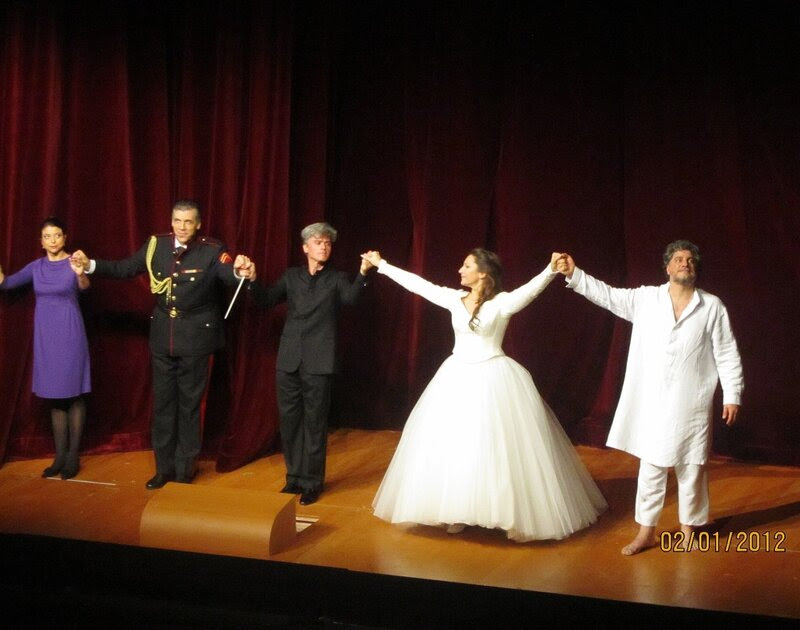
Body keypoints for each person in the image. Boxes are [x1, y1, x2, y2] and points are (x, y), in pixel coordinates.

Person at [362, 248, 607, 541]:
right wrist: (382, 264)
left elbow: (530, 291)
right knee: (457, 444)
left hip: (493, 377)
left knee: (494, 446)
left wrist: (551, 270)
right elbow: (418, 285)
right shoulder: (453, 299)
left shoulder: (501, 304)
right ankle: (456, 510)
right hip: (456, 377)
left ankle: (504, 511)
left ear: (483, 273)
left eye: (466, 266)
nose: (460, 270)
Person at [557, 240, 743, 555]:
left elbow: (726, 351)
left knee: (692, 466)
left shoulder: (712, 306)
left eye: (690, 260)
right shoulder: (646, 299)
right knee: (652, 467)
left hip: (693, 401)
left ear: (696, 268)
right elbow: (608, 295)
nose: (684, 263)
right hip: (654, 402)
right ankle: (646, 532)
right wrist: (575, 274)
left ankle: (688, 529)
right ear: (667, 267)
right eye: (678, 258)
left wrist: (732, 394)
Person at [72, 200, 255, 489]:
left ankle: (185, 469)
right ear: (171, 221)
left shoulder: (211, 250)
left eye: (188, 222)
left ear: (198, 224)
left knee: (190, 407)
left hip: (196, 338)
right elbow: (124, 268)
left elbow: (228, 273)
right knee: (163, 406)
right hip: (162, 337)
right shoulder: (156, 245)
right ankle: (163, 468)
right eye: (177, 221)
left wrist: (241, 271)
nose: (182, 227)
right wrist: (90, 265)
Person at [249, 222, 370, 505]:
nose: (324, 246)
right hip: (289, 359)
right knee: (290, 423)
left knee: (315, 425)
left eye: (327, 242)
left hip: (319, 361)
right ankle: (294, 478)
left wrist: (363, 273)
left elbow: (351, 298)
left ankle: (312, 482)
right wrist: (253, 280)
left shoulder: (337, 278)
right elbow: (265, 300)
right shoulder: (291, 276)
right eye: (318, 242)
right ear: (305, 247)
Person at [0, 217, 90, 480]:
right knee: (54, 395)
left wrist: (80, 273)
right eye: (47, 236)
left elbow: (85, 288)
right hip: (46, 338)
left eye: (57, 235)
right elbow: (6, 284)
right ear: (41, 241)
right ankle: (59, 457)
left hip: (70, 334)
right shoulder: (36, 267)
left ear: (65, 237)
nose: (52, 240)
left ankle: (73, 457)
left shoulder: (73, 261)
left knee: (74, 394)